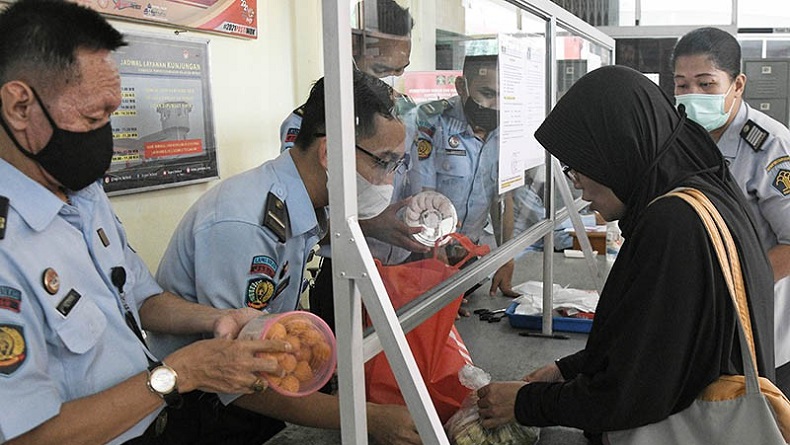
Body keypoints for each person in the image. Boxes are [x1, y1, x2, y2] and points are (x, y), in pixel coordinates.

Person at [0, 1, 301, 443]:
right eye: (92, 117)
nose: (104, 136)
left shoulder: (82, 192)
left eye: (112, 114)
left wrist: (219, 318)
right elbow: (28, 437)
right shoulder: (8, 248)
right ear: (20, 106)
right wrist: (181, 373)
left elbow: (142, 299)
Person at [476, 66, 776, 444]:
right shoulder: (702, 189)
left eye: (579, 166)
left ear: (616, 150)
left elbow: (634, 393)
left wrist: (526, 403)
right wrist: (567, 369)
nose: (577, 183)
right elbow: (661, 339)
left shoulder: (674, 223)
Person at [150, 69, 420, 445]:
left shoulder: (307, 205)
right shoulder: (247, 222)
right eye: (383, 162)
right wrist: (368, 417)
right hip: (200, 405)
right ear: (330, 154)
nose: (389, 179)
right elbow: (235, 375)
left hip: (259, 388)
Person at [671, 27, 790, 396]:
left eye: (706, 84)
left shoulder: (770, 147)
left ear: (737, 85)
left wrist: (732, 286)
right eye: (681, 84)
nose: (692, 95)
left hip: (763, 322)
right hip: (706, 318)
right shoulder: (682, 137)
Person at [412, 54, 518, 297]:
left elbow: (503, 199)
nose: (495, 105)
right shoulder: (433, 122)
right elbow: (422, 197)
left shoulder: (506, 131)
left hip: (469, 255)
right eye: (487, 93)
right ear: (461, 87)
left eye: (503, 96)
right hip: (428, 254)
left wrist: (506, 257)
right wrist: (438, 270)